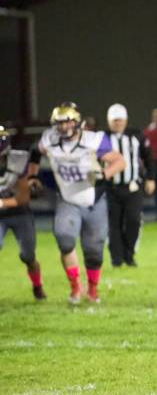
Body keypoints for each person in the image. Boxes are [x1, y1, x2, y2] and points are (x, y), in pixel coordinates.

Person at [37, 102, 125, 304]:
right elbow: (35, 152)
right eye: (59, 123)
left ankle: (92, 289)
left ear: (77, 122)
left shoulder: (93, 140)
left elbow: (119, 161)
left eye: (67, 122)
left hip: (93, 199)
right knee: (65, 239)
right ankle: (76, 287)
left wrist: (103, 173)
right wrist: (33, 175)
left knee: (94, 250)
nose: (63, 127)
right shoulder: (48, 139)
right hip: (68, 199)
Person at [104, 104, 155, 267]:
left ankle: (129, 254)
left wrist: (150, 178)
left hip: (133, 186)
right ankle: (116, 258)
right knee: (114, 224)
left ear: (125, 120)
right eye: (114, 120)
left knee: (133, 221)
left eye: (120, 120)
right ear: (109, 121)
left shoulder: (136, 135)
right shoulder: (102, 138)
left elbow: (148, 157)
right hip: (110, 187)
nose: (117, 123)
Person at [0, 125, 46, 299]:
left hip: (19, 212)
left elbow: (22, 198)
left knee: (27, 255)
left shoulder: (18, 160)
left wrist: (2, 202)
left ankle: (37, 285)